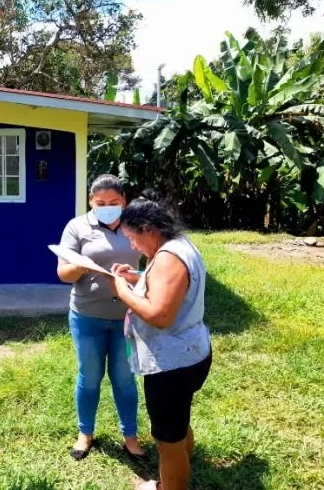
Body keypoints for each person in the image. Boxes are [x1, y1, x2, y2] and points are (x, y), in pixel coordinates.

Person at [109, 190, 212, 490]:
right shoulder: (178, 246)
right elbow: (167, 282)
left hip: (171, 364)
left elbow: (160, 315)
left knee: (166, 440)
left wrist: (121, 289)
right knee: (178, 423)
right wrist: (135, 277)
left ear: (149, 230)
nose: (131, 244)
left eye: (132, 238)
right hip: (191, 353)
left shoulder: (168, 258)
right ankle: (179, 465)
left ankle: (169, 486)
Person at [56, 174, 145, 461]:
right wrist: (83, 266)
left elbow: (154, 265)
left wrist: (135, 277)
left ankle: (130, 436)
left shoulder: (137, 225)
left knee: (124, 377)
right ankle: (85, 433)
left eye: (114, 202)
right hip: (87, 316)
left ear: (124, 201)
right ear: (91, 202)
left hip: (127, 316)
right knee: (90, 376)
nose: (107, 207)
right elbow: (63, 273)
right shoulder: (77, 227)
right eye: (100, 203)